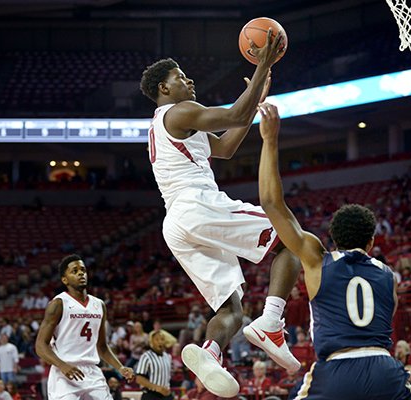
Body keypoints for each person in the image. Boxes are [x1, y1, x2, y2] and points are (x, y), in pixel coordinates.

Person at [139, 29, 300, 398]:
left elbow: (225, 146)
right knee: (293, 240)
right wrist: (261, 67)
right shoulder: (178, 111)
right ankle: (272, 323)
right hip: (197, 203)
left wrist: (255, 97)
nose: (188, 79)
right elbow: (233, 113)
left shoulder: (174, 124)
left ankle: (210, 353)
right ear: (164, 89)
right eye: (179, 77)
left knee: (232, 309)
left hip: (177, 222)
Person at [256, 102, 411, 399]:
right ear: (371, 242)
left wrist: (270, 140)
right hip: (384, 369)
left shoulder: (317, 260)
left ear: (332, 239)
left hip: (336, 372)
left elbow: (270, 202)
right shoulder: (388, 275)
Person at [35, 254, 135, 400]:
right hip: (65, 373)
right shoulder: (58, 304)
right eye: (74, 271)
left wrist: (120, 367)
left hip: (92, 373)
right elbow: (40, 345)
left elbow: (102, 347)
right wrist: (62, 365)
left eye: (83, 270)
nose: (81, 273)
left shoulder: (99, 305)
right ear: (65, 279)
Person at [134, 330, 173, 400]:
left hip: (166, 395)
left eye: (162, 339)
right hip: (151, 395)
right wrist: (157, 388)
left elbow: (174, 341)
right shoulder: (146, 356)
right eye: (157, 339)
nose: (160, 342)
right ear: (151, 342)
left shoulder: (168, 356)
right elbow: (139, 379)